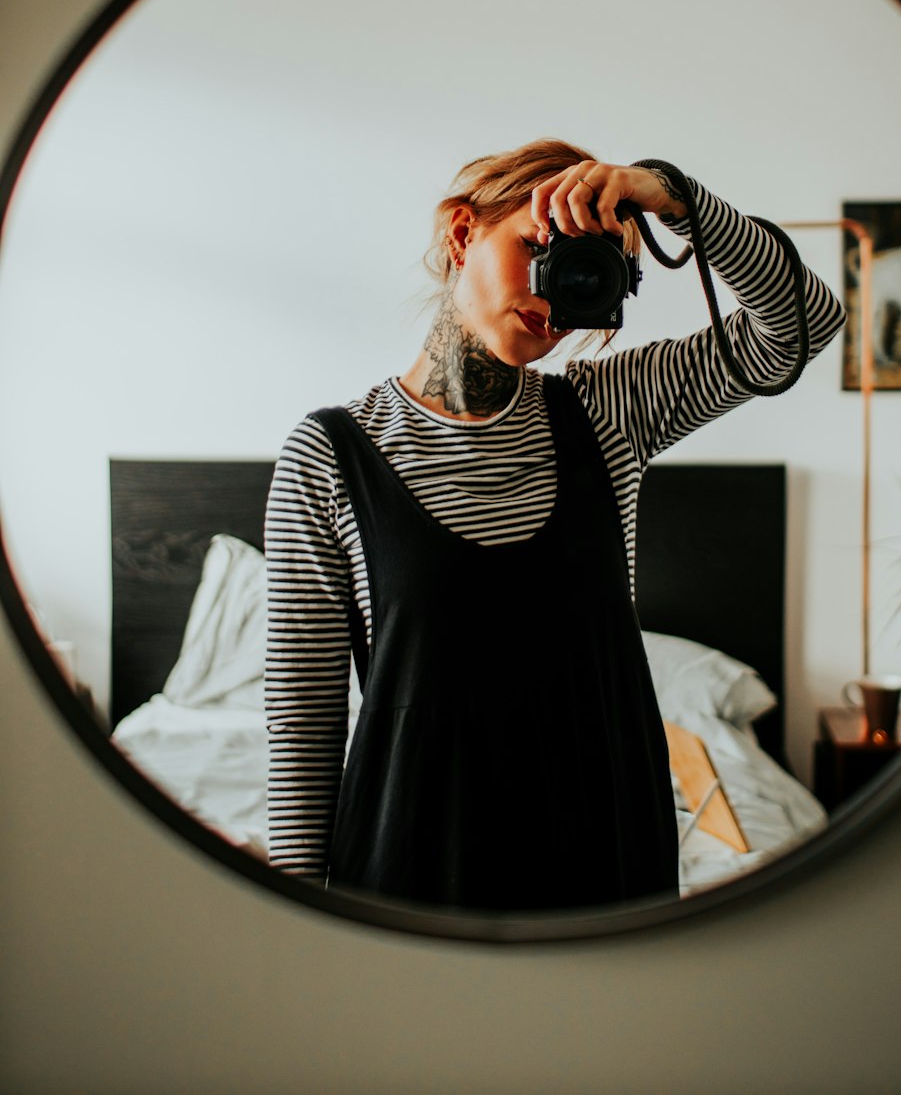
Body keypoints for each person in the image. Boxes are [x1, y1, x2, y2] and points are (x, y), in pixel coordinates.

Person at [265, 139, 846, 911]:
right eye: (536, 247)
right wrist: (296, 921)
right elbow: (303, 728)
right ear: (462, 232)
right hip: (413, 866)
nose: (552, 292)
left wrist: (672, 196)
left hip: (603, 856)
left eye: (588, 269)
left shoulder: (607, 410)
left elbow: (803, 326)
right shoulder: (329, 456)